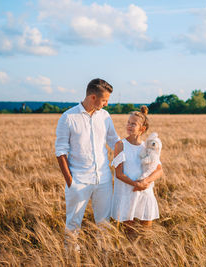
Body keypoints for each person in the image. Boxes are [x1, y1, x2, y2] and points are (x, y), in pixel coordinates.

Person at [55, 78, 120, 250]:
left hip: (104, 179)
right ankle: (71, 259)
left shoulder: (105, 117)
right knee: (73, 224)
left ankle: (103, 256)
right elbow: (60, 151)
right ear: (92, 97)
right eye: (104, 100)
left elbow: (114, 141)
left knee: (104, 224)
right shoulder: (68, 117)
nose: (106, 104)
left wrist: (136, 147)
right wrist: (71, 182)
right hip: (79, 180)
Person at [111, 106, 163, 227]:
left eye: (133, 124)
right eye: (128, 123)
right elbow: (119, 174)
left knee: (146, 233)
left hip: (145, 194)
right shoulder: (120, 145)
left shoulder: (147, 147)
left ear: (142, 129)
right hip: (127, 194)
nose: (129, 126)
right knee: (130, 232)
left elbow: (159, 170)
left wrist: (145, 182)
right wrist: (136, 184)